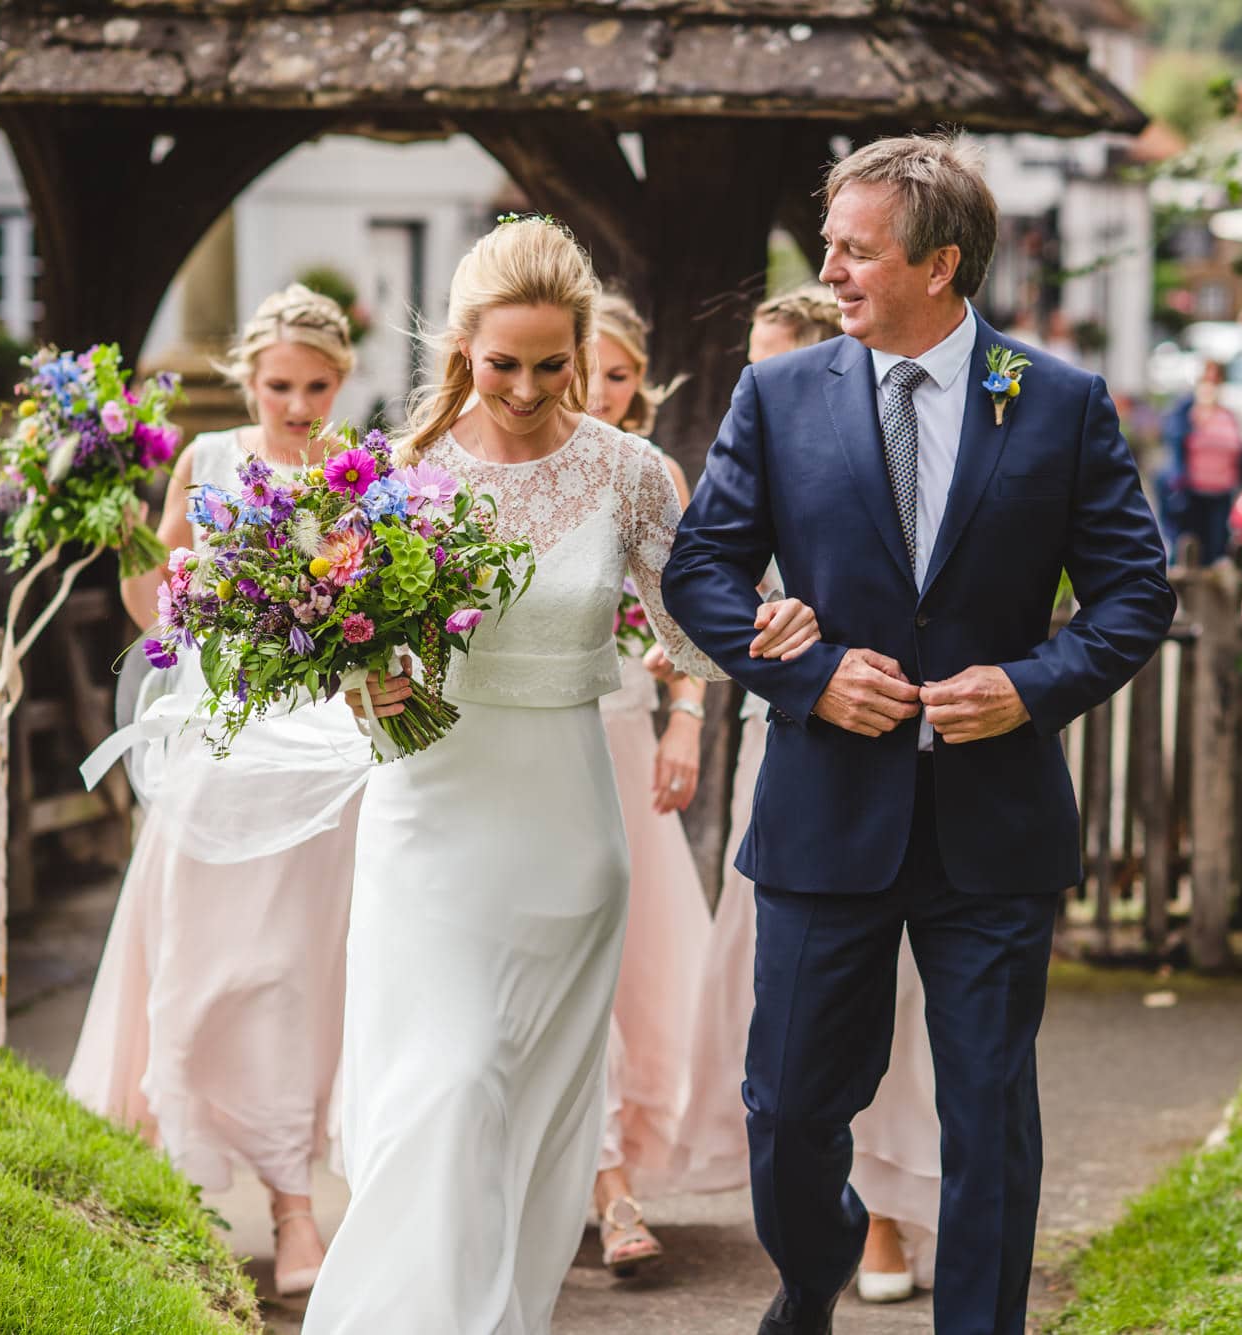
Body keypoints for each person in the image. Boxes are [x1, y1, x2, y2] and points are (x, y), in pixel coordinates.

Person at [663, 135, 1175, 1335]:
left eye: (855, 249)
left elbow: (1131, 596)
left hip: (992, 825)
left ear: (940, 264)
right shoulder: (777, 396)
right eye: (829, 244)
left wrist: (1030, 685)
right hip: (823, 813)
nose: (829, 269)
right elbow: (701, 571)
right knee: (787, 1107)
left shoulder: (1056, 402)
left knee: (988, 1113)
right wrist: (808, 678)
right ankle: (810, 1276)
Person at [308, 217, 823, 1334]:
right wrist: (367, 684)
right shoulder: (397, 474)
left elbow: (697, 630)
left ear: (584, 350)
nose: (529, 388)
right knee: (445, 1087)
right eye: (504, 364)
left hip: (565, 836)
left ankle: (499, 1315)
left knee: (532, 1113)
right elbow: (342, 644)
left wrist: (776, 620)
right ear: (460, 348)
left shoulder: (630, 472)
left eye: (553, 364)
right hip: (429, 819)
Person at [69, 284, 372, 1298]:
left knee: (291, 972)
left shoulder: (354, 476)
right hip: (214, 735)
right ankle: (186, 1182)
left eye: (316, 386)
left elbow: (370, 605)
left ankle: (293, 1205)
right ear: (249, 379)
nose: (296, 403)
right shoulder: (204, 464)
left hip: (319, 747)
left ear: (341, 382)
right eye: (279, 385)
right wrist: (123, 535)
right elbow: (157, 611)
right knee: (197, 966)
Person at [678, 284, 943, 1305]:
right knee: (792, 1048)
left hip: (925, 760)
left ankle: (890, 1209)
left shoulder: (909, 418)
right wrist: (784, 645)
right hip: (795, 750)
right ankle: (820, 1239)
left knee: (908, 1016)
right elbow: (711, 567)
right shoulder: (763, 409)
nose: (769, 376)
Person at [580, 290, 713, 1276]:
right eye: (589, 366)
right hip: (533, 738)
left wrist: (688, 720)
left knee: (633, 968)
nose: (600, 388)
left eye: (620, 373)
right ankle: (597, 1184)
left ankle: (614, 1171)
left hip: (626, 735)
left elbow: (695, 615)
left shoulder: (651, 472)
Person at [1159, 359, 1242, 564]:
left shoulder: (1228, 415)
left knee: (1214, 552)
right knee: (1188, 551)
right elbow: (1174, 441)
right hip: (1192, 495)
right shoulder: (1186, 413)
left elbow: (1239, 450)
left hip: (1221, 493)